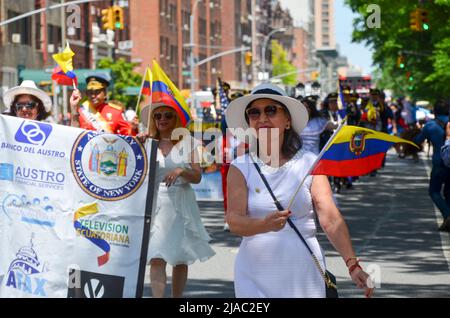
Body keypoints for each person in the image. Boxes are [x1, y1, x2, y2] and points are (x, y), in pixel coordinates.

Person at [225, 83, 374, 298]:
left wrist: (352, 264)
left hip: (303, 272)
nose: (262, 117)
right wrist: (264, 224)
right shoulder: (240, 166)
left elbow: (330, 218)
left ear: (287, 121)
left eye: (271, 110)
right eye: (254, 112)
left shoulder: (310, 163)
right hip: (254, 273)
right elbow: (234, 220)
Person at [138, 103, 215, 298]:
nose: (162, 119)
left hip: (181, 203)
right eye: (158, 116)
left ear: (177, 119)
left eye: (168, 115)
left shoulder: (188, 143)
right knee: (156, 257)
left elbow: (197, 177)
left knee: (180, 257)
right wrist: (137, 146)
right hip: (154, 202)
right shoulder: (147, 142)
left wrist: (181, 170)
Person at [415, 99, 450, 232]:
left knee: (434, 191)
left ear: (434, 111)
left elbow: (417, 141)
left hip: (439, 163)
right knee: (448, 192)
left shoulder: (430, 126)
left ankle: (447, 215)